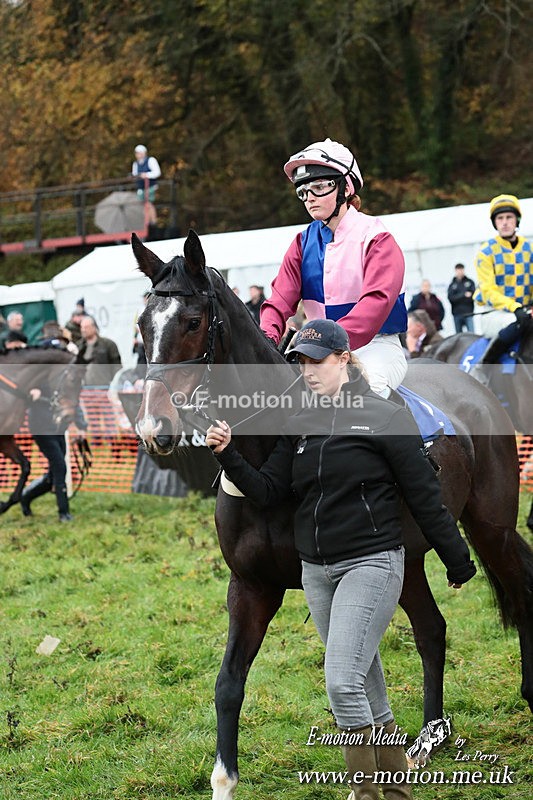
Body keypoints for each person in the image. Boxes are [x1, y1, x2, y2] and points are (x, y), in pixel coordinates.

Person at [206, 319, 476, 800]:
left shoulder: (383, 415)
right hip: (318, 572)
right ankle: (395, 791)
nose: (308, 371)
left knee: (342, 683)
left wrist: (457, 558)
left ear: (344, 360)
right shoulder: (299, 423)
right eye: (301, 362)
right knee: (367, 685)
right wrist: (228, 455)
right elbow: (269, 489)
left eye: (318, 361)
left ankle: (367, 792)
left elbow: (422, 493)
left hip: (372, 562)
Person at [259, 138, 408, 397]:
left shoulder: (378, 238)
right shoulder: (302, 243)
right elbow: (279, 301)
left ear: (345, 188)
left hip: (375, 348)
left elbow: (376, 303)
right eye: (303, 192)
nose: (309, 198)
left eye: (318, 187)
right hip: (315, 355)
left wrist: (325, 344)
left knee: (363, 395)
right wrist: (266, 341)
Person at [473, 194, 533, 364]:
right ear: (495, 223)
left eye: (509, 217)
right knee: (518, 322)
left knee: (524, 321)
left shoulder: (530, 248)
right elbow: (489, 291)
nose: (505, 222)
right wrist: (515, 307)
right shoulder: (486, 252)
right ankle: (484, 367)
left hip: (524, 312)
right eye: (500, 218)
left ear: (517, 220)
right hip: (494, 313)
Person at [77, 316, 122, 387]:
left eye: (86, 327)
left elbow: (117, 367)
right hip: (85, 389)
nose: (83, 330)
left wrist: (114, 385)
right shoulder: (79, 347)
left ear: (94, 327)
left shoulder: (108, 344)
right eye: (81, 327)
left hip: (105, 387)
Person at [131, 144, 161, 225]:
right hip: (141, 187)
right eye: (137, 153)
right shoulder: (135, 164)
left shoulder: (151, 160)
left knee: (149, 203)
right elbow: (135, 175)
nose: (138, 155)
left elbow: (157, 173)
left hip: (150, 186)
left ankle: (153, 222)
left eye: (140, 153)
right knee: (142, 205)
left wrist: (146, 175)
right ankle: (146, 223)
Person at [447, 263, 476, 333]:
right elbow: (451, 298)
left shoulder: (470, 282)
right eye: (458, 270)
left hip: (468, 313)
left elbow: (473, 296)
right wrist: (463, 295)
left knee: (471, 334)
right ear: (455, 271)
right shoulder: (452, 284)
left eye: (461, 270)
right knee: (459, 336)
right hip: (457, 314)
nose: (460, 272)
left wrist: (458, 297)